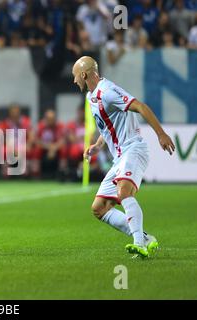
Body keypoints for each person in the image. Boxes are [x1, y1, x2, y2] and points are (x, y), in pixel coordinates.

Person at [72, 56, 175, 258]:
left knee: (124, 191)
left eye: (75, 76)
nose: (74, 81)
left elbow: (141, 107)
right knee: (99, 208)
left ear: (84, 74)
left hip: (134, 149)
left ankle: (139, 244)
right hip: (120, 158)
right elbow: (108, 125)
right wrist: (97, 145)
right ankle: (145, 238)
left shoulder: (108, 91)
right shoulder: (91, 97)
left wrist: (161, 134)